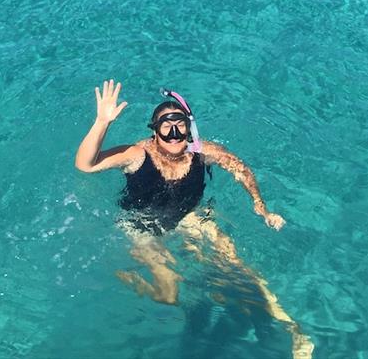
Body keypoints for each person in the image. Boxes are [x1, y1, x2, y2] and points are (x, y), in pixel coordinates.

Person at [75, 80, 314, 358]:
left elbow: (242, 170)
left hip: (190, 218)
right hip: (143, 226)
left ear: (189, 128)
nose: (174, 135)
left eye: (180, 126)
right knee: (169, 295)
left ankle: (293, 329)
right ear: (154, 133)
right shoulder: (138, 154)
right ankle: (132, 279)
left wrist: (261, 207)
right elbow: (85, 165)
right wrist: (102, 122)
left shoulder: (202, 152)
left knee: (241, 271)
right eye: (166, 127)